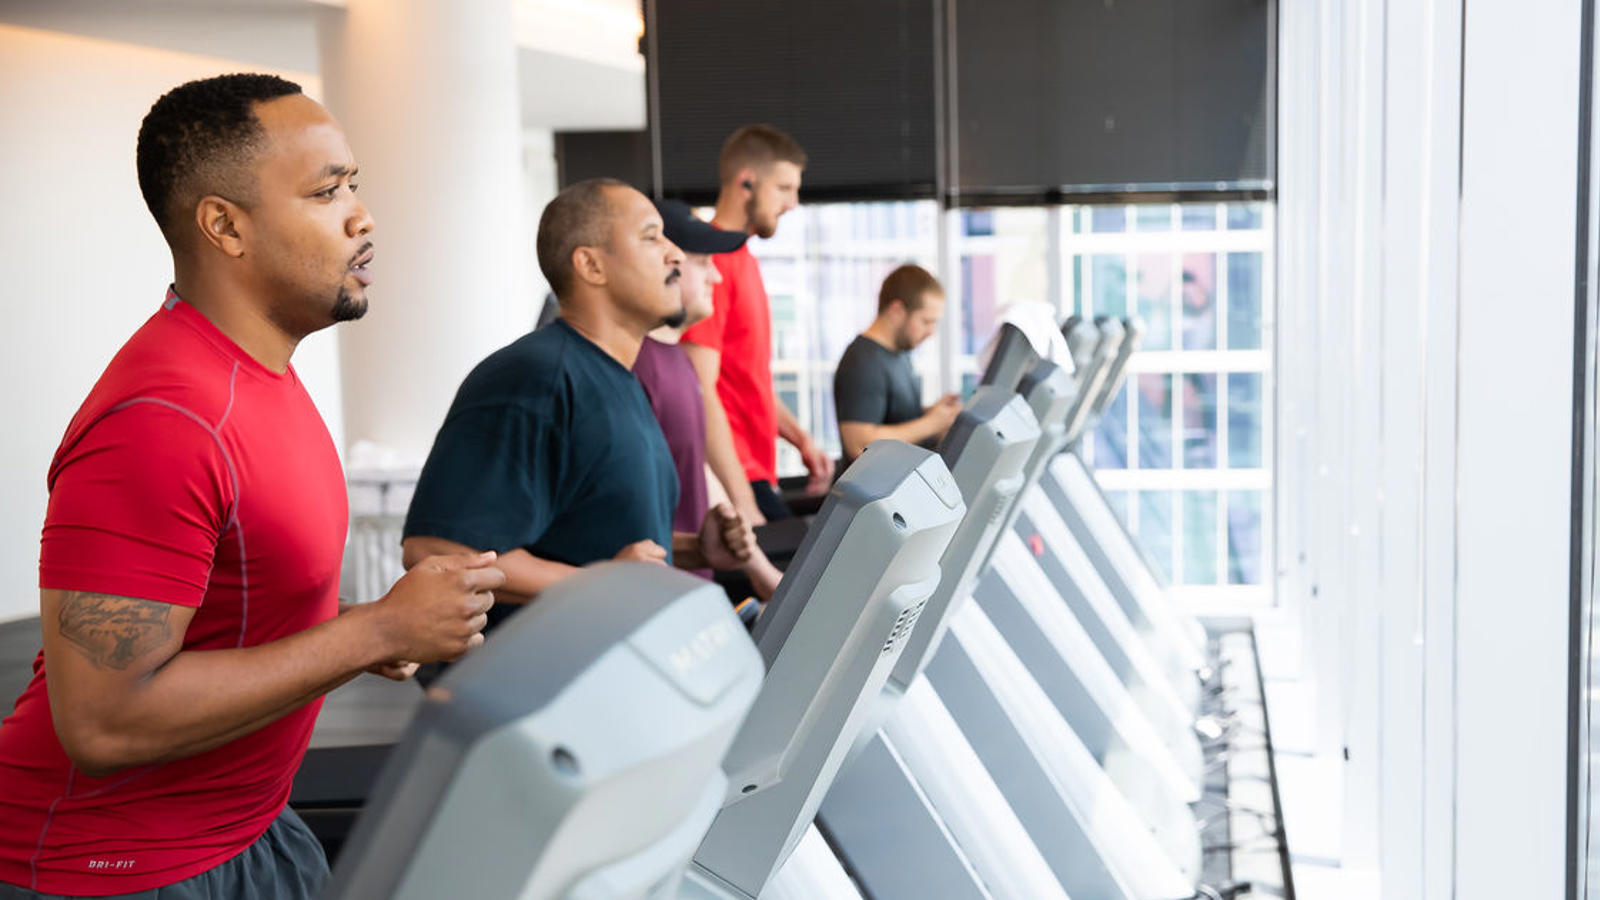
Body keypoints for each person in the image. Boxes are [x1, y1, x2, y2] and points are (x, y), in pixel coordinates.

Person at [0, 74, 503, 900]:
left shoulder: (259, 374)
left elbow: (221, 619)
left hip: (248, 830)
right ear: (225, 226)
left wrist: (358, 631)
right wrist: (373, 632)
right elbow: (101, 720)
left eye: (356, 184)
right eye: (326, 191)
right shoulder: (162, 419)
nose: (362, 215)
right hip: (110, 869)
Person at [401, 178, 756, 633]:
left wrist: (692, 550)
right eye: (651, 237)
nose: (675, 255)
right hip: (539, 688)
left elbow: (583, 537)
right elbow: (437, 550)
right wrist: (603, 584)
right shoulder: (535, 376)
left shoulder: (622, 381)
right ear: (590, 265)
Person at [634, 200, 784, 602]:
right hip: (660, 596)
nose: (716, 277)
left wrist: (760, 568)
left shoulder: (677, 362)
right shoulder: (639, 368)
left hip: (694, 588)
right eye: (703, 263)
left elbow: (697, 468)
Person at [681, 125, 830, 524]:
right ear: (746, 181)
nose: (793, 203)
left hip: (759, 473)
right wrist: (742, 499)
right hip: (738, 478)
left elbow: (749, 378)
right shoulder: (710, 263)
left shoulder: (743, 258)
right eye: (783, 188)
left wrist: (801, 439)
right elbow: (701, 388)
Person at [833, 263, 960, 466]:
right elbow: (858, 444)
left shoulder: (900, 354)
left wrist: (934, 413)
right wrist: (930, 424)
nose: (931, 332)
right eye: (926, 321)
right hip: (873, 495)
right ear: (897, 311)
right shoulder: (862, 361)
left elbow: (896, 416)